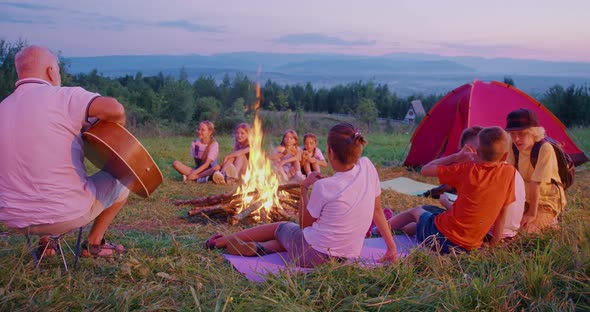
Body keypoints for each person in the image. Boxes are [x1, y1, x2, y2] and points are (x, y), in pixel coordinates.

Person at [203, 123, 397, 267]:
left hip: (311, 256)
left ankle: (219, 241)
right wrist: (391, 248)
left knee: (283, 227)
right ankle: (260, 248)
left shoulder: (324, 186)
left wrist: (304, 188)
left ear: (329, 152)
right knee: (294, 237)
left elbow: (305, 227)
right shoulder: (368, 167)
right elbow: (377, 210)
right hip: (346, 257)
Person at [0, 45, 129, 257]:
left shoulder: (3, 106)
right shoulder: (65, 96)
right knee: (123, 179)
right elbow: (115, 109)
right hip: (65, 216)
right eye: (58, 70)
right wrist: (112, 140)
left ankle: (47, 244)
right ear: (51, 72)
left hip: (13, 219)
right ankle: (94, 244)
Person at [387, 127, 517, 253]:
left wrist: (456, 157)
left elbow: (425, 169)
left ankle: (382, 227)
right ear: (505, 156)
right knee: (422, 222)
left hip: (442, 238)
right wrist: (493, 246)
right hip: (468, 247)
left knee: (416, 211)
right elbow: (502, 212)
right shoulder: (509, 172)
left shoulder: (466, 169)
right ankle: (400, 227)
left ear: (476, 152)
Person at [505, 108, 566, 234]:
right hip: (524, 197)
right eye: (512, 134)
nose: (516, 139)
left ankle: (549, 219)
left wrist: (531, 214)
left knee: (525, 232)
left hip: (546, 199)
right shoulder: (513, 146)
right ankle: (545, 222)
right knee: (508, 227)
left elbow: (536, 183)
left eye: (521, 133)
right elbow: (508, 174)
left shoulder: (544, 149)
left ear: (534, 132)